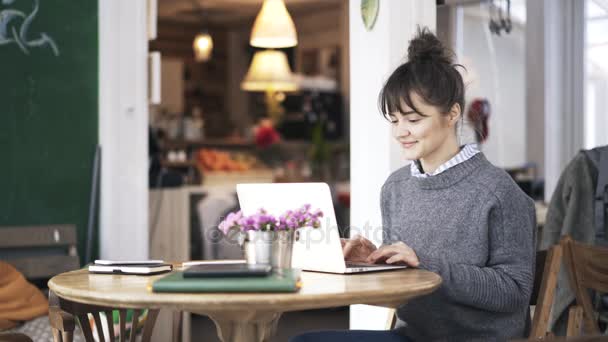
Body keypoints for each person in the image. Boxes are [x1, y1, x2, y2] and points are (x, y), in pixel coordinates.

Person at [290, 27, 536, 342]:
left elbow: (513, 292)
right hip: (413, 337)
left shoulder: (499, 193)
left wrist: (425, 264)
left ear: (452, 114)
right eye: (394, 120)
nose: (400, 132)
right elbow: (406, 283)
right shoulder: (396, 188)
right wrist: (373, 261)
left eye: (413, 119)